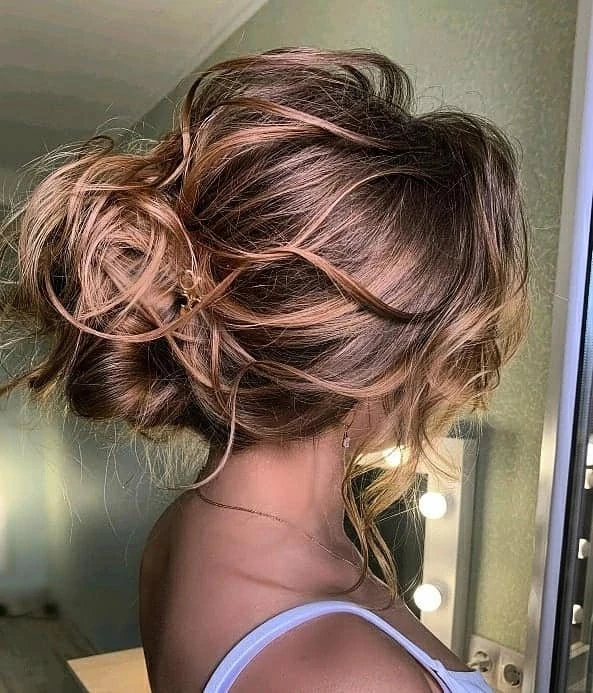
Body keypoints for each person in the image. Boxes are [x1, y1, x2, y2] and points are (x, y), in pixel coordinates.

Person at [0, 48, 529, 692]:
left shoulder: (187, 530)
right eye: (449, 347)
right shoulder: (348, 676)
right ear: (371, 364)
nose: (451, 384)